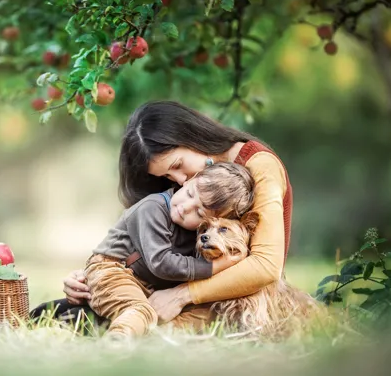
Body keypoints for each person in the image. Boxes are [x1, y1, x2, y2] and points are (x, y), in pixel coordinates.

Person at [32, 100, 292, 330]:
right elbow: (146, 243)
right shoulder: (184, 194)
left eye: (178, 166)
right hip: (169, 283)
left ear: (192, 137)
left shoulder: (259, 166)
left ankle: (105, 323)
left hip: (229, 295)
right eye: (168, 176)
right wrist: (92, 276)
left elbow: (267, 267)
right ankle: (96, 313)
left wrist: (183, 295)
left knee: (179, 326)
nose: (179, 180)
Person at [84, 162, 255, 338]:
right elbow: (161, 263)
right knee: (138, 309)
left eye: (199, 213)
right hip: (114, 270)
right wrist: (215, 266)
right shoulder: (152, 208)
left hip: (149, 284)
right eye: (190, 194)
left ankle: (158, 336)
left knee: (206, 312)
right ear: (189, 181)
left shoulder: (198, 232)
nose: (185, 207)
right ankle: (120, 337)